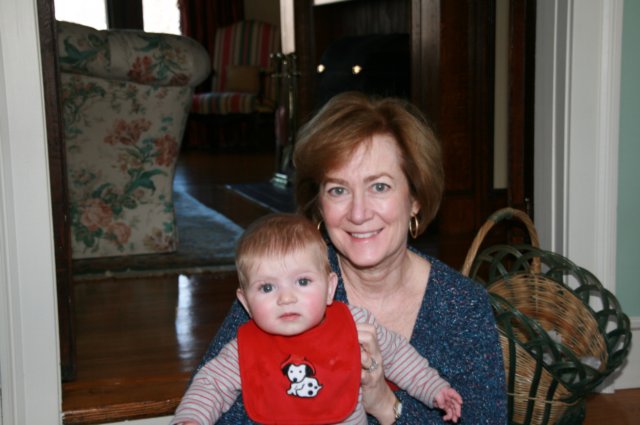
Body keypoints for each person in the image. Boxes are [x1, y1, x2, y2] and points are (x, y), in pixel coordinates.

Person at [194, 91, 507, 424]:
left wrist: (386, 405)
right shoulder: (286, 280)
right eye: (338, 190)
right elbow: (213, 398)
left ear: (415, 199)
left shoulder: (462, 307)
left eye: (380, 186)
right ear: (319, 205)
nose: (358, 213)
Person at [172, 213, 463, 425]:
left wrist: (435, 390)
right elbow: (211, 384)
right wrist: (191, 419)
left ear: (330, 288)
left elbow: (399, 356)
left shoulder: (354, 325)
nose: (286, 298)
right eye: (267, 288)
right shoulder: (243, 349)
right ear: (246, 303)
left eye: (302, 282)